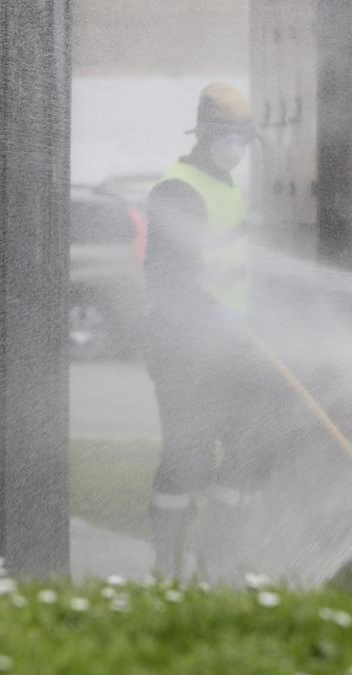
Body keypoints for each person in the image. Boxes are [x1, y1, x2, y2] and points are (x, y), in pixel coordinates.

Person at [143, 83, 273, 579]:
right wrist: (213, 315)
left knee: (248, 447)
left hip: (228, 349)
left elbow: (225, 257)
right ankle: (167, 566)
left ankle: (219, 561)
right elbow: (166, 277)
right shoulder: (178, 189)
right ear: (205, 135)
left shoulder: (224, 184)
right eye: (228, 137)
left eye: (243, 139)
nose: (237, 149)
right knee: (185, 458)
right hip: (182, 350)